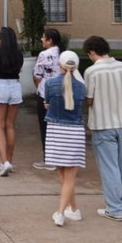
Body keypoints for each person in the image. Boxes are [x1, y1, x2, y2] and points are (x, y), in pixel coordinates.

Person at [83, 35, 122, 221]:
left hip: (102, 124)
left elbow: (89, 99)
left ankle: (114, 208)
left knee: (109, 167)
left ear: (91, 52)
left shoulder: (91, 72)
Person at [43, 50, 86, 227]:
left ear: (60, 65)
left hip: (55, 131)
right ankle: (73, 209)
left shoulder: (50, 83)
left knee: (63, 173)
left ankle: (60, 213)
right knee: (68, 176)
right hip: (74, 132)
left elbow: (46, 104)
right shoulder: (82, 86)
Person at [0, 26, 25, 176]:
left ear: (1, 39)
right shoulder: (18, 55)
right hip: (15, 86)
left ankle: (4, 162)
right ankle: (9, 160)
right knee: (10, 126)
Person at [31, 27, 62, 171]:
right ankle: (60, 157)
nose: (42, 40)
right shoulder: (63, 54)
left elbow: (37, 75)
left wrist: (41, 87)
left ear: (50, 41)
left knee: (46, 126)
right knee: (59, 126)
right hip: (61, 93)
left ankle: (48, 159)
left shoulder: (44, 54)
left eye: (44, 37)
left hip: (46, 94)